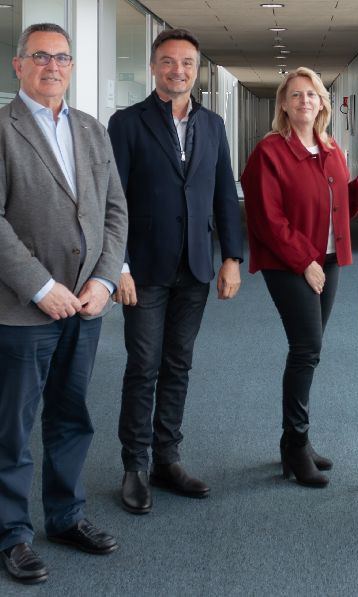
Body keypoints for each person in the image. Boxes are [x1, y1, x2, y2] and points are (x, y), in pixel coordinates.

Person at [0, 23, 128, 583]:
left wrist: (104, 280)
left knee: (71, 416)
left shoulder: (92, 130)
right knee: (14, 428)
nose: (52, 66)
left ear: (72, 67)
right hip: (20, 311)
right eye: (40, 56)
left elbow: (115, 211)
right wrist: (41, 287)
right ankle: (13, 536)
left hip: (86, 304)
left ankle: (66, 517)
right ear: (18, 65)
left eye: (61, 57)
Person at [107, 29, 244, 514]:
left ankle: (167, 458)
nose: (178, 70)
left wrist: (231, 258)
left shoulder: (213, 125)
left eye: (187, 62)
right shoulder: (126, 123)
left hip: (195, 266)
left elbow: (224, 192)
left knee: (179, 364)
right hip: (143, 269)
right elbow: (113, 199)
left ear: (196, 69)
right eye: (168, 61)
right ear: (153, 67)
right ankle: (135, 465)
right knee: (143, 366)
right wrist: (118, 265)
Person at [240, 67, 358, 487]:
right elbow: (267, 218)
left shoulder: (331, 149)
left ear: (322, 103)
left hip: (328, 260)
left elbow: (339, 208)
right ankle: (296, 445)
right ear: (283, 104)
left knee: (310, 351)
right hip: (289, 263)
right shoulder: (270, 152)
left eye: (312, 94)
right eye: (296, 95)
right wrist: (304, 261)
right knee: (306, 347)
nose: (304, 101)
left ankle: (295, 441)